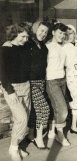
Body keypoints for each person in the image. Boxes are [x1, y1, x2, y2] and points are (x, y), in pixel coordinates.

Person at [0, 22, 31, 161]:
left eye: (27, 37)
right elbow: (2, 73)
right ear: (15, 34)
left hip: (26, 86)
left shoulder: (24, 48)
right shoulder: (5, 49)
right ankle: (13, 149)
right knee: (22, 119)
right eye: (23, 36)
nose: (26, 39)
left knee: (25, 119)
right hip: (12, 89)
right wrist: (9, 90)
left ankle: (18, 146)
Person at [27, 21, 51, 149]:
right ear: (35, 29)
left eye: (46, 32)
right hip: (31, 83)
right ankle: (39, 138)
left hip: (41, 82)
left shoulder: (44, 47)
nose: (43, 34)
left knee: (35, 111)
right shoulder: (28, 44)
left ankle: (31, 135)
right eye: (41, 30)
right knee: (44, 109)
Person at [45, 23, 70, 146]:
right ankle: (60, 134)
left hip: (62, 80)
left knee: (56, 108)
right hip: (51, 80)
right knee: (63, 110)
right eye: (59, 32)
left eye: (63, 33)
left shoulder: (63, 47)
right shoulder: (47, 47)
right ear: (53, 32)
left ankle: (51, 130)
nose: (62, 35)